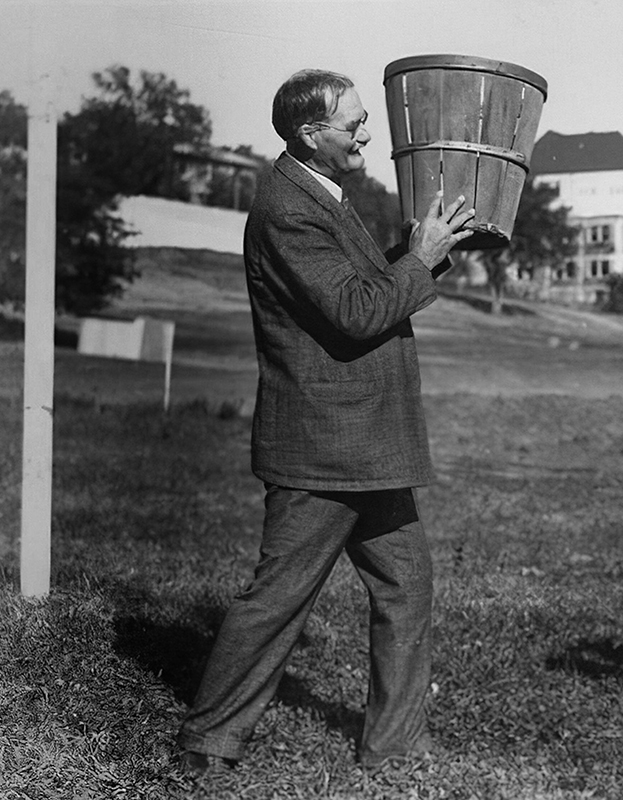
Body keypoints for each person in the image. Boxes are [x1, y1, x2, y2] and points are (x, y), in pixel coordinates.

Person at [176, 69, 474, 774]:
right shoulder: (290, 209)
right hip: (324, 444)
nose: (368, 132)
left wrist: (426, 253)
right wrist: (421, 260)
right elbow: (357, 313)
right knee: (278, 597)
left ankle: (394, 746)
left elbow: (365, 292)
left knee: (407, 584)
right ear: (312, 135)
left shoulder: (323, 197)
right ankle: (205, 744)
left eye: (367, 119)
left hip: (363, 442)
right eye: (354, 124)